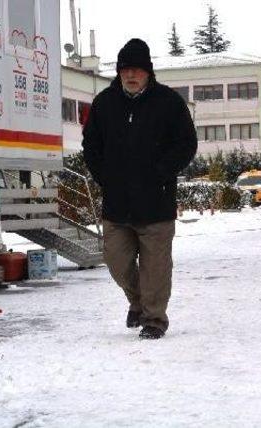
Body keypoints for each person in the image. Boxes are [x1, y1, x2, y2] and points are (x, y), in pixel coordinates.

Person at [82, 39, 197, 340]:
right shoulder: (104, 103)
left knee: (156, 267)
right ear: (119, 72)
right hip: (117, 203)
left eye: (137, 70)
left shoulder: (169, 102)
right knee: (116, 261)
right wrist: (105, 176)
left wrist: (161, 172)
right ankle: (138, 302)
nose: (131, 76)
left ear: (148, 72)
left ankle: (155, 319)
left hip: (156, 202)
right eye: (125, 70)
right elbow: (91, 145)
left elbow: (186, 144)